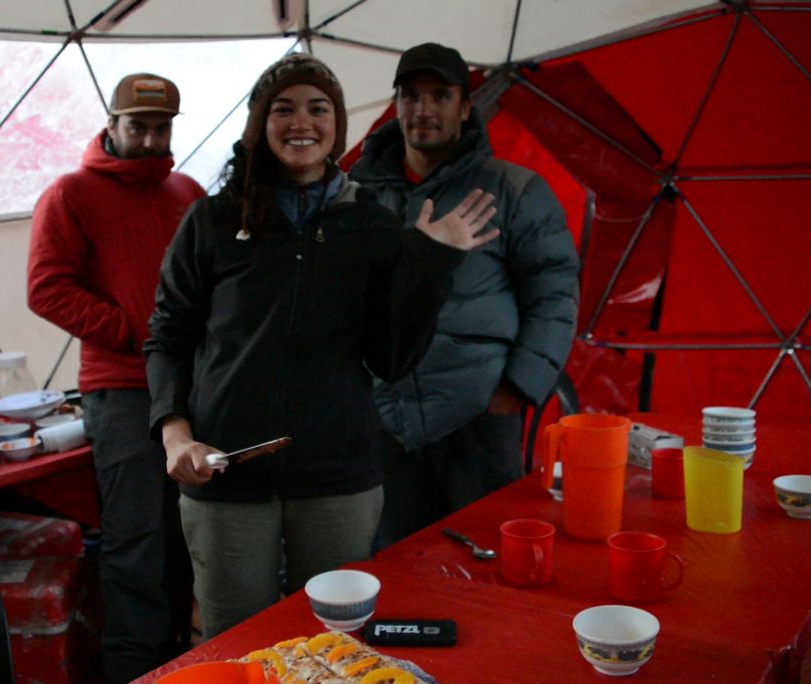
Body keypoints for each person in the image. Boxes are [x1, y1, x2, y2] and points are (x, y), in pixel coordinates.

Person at [143, 53, 499, 639]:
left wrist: (430, 261)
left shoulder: (374, 225)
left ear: (337, 124)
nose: (300, 122)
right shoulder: (211, 220)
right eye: (282, 109)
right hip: (227, 469)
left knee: (335, 642)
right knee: (239, 641)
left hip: (338, 475)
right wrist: (173, 431)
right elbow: (168, 334)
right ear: (259, 123)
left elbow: (392, 359)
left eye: (318, 108)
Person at [349, 43, 580, 547]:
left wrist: (514, 391)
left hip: (479, 417)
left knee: (491, 564)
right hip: (385, 425)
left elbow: (555, 295)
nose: (423, 109)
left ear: (465, 107)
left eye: (440, 95)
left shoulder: (514, 190)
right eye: (410, 95)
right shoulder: (359, 194)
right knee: (396, 569)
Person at [26, 72, 205, 683]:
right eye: (138, 126)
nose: (150, 139)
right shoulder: (71, 193)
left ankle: (185, 662)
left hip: (192, 387)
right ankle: (134, 671)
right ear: (111, 123)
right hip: (123, 388)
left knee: (190, 533)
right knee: (136, 540)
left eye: (161, 127)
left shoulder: (187, 190)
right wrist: (134, 330)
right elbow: (46, 288)